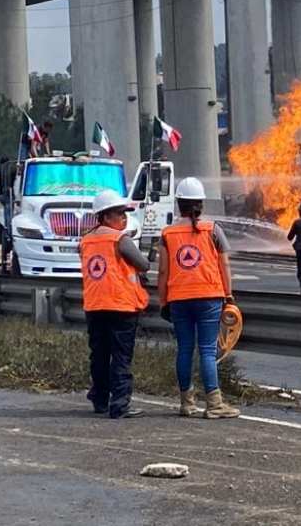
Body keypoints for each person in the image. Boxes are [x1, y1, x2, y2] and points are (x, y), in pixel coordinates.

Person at [158, 177, 239, 420]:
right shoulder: (213, 230)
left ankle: (187, 403)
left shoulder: (167, 234)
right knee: (206, 350)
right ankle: (214, 404)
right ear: (201, 205)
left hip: (179, 298)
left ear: (178, 204)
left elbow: (163, 271)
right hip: (209, 296)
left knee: (184, 349)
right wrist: (228, 295)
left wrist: (163, 302)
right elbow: (224, 264)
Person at [79, 190, 150, 419]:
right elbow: (144, 264)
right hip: (121, 307)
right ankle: (120, 404)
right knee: (121, 357)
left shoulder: (86, 240)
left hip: (95, 306)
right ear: (106, 216)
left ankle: (99, 399)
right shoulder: (120, 239)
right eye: (120, 214)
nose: (124, 218)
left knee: (98, 355)